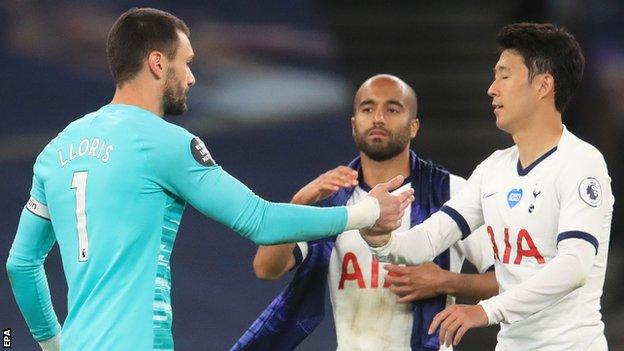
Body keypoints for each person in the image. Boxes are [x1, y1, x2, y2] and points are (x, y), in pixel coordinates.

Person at [5, 8, 414, 351]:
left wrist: (52, 343)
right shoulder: (164, 143)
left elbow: (22, 265)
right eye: (187, 62)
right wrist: (366, 212)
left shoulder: (57, 150)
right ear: (158, 63)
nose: (192, 77)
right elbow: (261, 222)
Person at [361, 23, 614, 350]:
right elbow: (428, 238)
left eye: (504, 75)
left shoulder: (581, 162)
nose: (492, 89)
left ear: (543, 85)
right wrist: (379, 235)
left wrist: (486, 310)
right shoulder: (494, 168)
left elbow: (574, 266)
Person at [233, 74, 497, 351]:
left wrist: (446, 281)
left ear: (414, 127)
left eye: (392, 109)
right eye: (367, 109)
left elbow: (506, 280)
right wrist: (300, 201)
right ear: (353, 124)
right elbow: (265, 268)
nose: (378, 118)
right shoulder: (331, 200)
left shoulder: (452, 191)